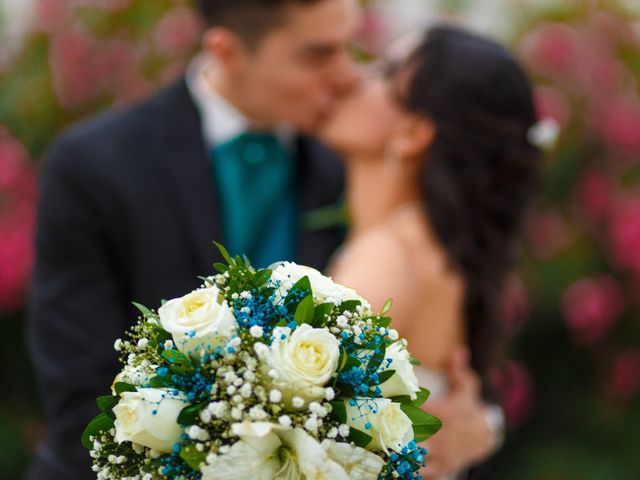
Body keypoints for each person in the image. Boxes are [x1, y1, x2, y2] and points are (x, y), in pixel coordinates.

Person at [27, 1, 360, 478]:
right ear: (226, 51)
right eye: (318, 55)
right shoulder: (94, 167)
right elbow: (84, 398)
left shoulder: (351, 165)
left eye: (349, 48)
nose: (347, 76)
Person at [321, 25, 541, 478]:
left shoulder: (388, 259)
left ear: (413, 132)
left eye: (383, 71)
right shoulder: (428, 250)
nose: (350, 77)